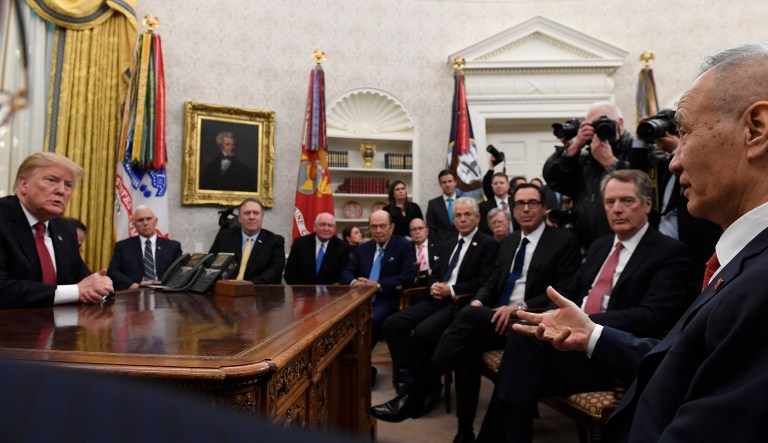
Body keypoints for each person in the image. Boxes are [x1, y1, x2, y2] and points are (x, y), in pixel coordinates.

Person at [514, 43, 768, 443]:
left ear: (755, 129)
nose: (673, 161)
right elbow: (687, 358)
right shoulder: (741, 260)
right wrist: (592, 333)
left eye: (684, 133)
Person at [478, 169, 691, 442]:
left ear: (647, 204)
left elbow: (652, 316)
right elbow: (572, 292)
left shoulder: (668, 252)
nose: (617, 209)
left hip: (609, 353)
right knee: (521, 344)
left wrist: (587, 324)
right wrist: (553, 315)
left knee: (515, 374)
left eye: (627, 201)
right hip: (568, 345)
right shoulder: (600, 246)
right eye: (610, 202)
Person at [370, 185, 581, 441]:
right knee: (466, 345)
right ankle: (464, 431)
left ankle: (415, 394)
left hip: (530, 320)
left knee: (465, 319)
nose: (526, 209)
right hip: (496, 318)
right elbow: (493, 281)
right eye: (520, 203)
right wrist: (480, 301)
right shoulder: (511, 241)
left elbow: (564, 290)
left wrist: (520, 308)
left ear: (544, 207)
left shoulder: (562, 240)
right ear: (512, 209)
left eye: (533, 203)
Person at [380, 197, 498, 414]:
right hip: (434, 300)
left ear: (477, 217)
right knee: (392, 324)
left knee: (424, 333)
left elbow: (485, 282)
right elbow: (434, 272)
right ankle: (418, 378)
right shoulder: (449, 242)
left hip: (458, 305)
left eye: (467, 215)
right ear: (453, 219)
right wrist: (434, 285)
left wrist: (451, 290)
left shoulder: (488, 244)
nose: (462, 219)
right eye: (458, 215)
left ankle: (423, 387)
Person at [0, 152, 113, 308]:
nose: (61, 191)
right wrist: (76, 291)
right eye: (52, 180)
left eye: (68, 185)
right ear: (23, 184)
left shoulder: (65, 229)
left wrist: (101, 284)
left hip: (60, 328)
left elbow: (82, 278)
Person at [543, 101, 647, 249]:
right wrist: (575, 146)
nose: (601, 128)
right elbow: (553, 178)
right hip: (589, 247)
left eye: (606, 122)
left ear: (620, 123)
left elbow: (643, 189)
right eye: (595, 125)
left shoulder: (638, 151)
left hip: (631, 246)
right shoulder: (585, 158)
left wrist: (610, 162)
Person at [646, 111, 722, 298]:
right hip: (665, 253)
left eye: (686, 133)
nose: (675, 165)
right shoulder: (662, 164)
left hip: (696, 254)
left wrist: (678, 147)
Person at [340, 210, 416, 348]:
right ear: (369, 228)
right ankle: (352, 365)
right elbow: (347, 271)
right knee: (339, 321)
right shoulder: (363, 248)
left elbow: (408, 275)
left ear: (391, 227)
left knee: (370, 320)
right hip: (359, 298)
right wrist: (354, 282)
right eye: (374, 226)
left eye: (383, 226)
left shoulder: (403, 246)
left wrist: (377, 284)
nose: (378, 230)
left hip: (386, 298)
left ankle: (361, 363)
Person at [209, 198, 285, 284]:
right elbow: (210, 266)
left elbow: (275, 272)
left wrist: (248, 285)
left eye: (256, 213)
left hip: (258, 292)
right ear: (239, 218)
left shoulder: (274, 241)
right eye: (247, 213)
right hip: (226, 290)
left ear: (262, 217)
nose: (251, 217)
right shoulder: (224, 237)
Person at [107, 206, 183, 290]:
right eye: (140, 220)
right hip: (134, 294)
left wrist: (165, 285)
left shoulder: (172, 247)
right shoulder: (123, 247)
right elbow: (113, 272)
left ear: (155, 221)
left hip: (164, 293)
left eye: (148, 219)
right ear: (134, 225)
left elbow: (180, 272)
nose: (145, 223)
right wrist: (134, 286)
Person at [284, 212, 349, 285]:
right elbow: (290, 273)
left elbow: (344, 275)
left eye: (330, 225)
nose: (326, 229)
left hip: (330, 293)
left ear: (334, 229)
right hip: (302, 292)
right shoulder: (300, 243)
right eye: (322, 224)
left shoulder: (342, 247)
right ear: (314, 226)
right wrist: (302, 292)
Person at [426, 169, 459, 241]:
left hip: (462, 244)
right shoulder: (433, 204)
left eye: (450, 181)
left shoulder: (465, 202)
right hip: (441, 247)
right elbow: (431, 229)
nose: (447, 185)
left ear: (455, 182)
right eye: (444, 182)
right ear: (440, 184)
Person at [408, 218, 441, 287]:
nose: (417, 232)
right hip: (415, 286)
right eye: (414, 229)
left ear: (427, 231)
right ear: (410, 234)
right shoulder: (407, 249)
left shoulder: (439, 246)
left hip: (435, 284)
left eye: (420, 228)